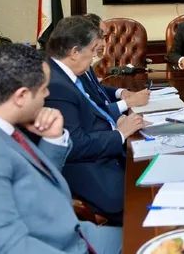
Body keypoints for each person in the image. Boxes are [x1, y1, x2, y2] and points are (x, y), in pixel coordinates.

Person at [0, 43, 122, 253]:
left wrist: (53, 139)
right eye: (43, 89)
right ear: (21, 96)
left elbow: (33, 186)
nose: (47, 94)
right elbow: (8, 247)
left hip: (77, 235)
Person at [45, 16, 144, 225]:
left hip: (108, 153)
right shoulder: (57, 85)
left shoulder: (66, 72)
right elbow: (75, 145)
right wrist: (119, 134)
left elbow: (93, 112)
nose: (94, 57)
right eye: (92, 50)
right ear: (74, 52)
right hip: (95, 171)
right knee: (147, 201)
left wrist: (117, 125)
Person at [81, 13, 150, 115]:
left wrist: (122, 93)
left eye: (105, 37)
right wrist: (128, 103)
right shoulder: (76, 70)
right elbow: (91, 113)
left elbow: (97, 89)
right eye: (101, 37)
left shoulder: (86, 63)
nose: (105, 44)